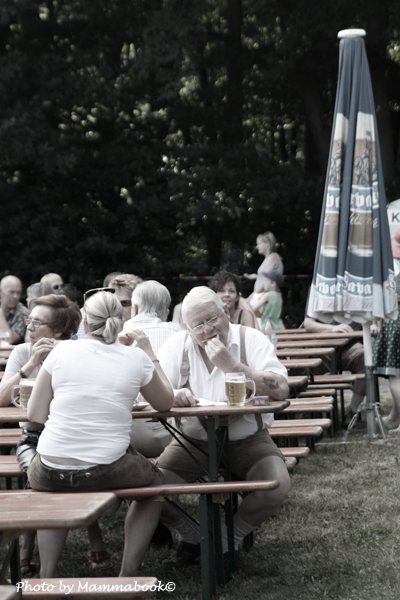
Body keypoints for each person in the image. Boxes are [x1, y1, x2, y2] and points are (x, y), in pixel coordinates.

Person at [26, 289, 174, 578]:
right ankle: (127, 574)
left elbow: (34, 415)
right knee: (156, 484)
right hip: (107, 467)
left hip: (48, 468)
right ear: (123, 320)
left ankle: (47, 576)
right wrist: (149, 353)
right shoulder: (136, 358)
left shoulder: (61, 351)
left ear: (83, 324)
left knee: (50, 494)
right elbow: (165, 403)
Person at [155, 287, 290, 571]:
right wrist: (173, 395)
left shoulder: (249, 338)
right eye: (198, 325)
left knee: (278, 484)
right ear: (188, 328)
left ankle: (229, 540)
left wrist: (233, 365)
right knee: (149, 490)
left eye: (212, 319)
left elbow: (282, 389)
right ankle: (194, 537)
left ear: (225, 312)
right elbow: (155, 394)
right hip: (192, 440)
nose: (207, 329)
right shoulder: (176, 346)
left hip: (247, 438)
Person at [0, 294, 88, 576]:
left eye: (37, 322)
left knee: (56, 476)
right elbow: (2, 398)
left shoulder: (78, 352)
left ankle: (27, 552)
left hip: (73, 438)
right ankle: (29, 552)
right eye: (29, 320)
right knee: (46, 476)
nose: (30, 326)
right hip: (34, 439)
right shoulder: (22, 352)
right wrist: (31, 364)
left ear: (59, 330)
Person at [121, 280, 181, 456]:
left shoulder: (119, 334)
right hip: (169, 431)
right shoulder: (177, 333)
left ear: (135, 308)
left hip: (125, 431)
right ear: (167, 312)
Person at [304, 292, 378, 428]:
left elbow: (372, 316)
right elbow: (308, 324)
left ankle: (353, 413)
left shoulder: (358, 284)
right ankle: (303, 413)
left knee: (366, 358)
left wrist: (373, 324)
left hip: (351, 346)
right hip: (323, 346)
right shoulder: (319, 286)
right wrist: (332, 328)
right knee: (301, 365)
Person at [373, 226, 400, 432]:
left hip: (396, 322)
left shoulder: (393, 272)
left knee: (396, 376)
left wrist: (377, 322)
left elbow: (385, 302)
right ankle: (394, 418)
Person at [0, 275, 29, 344]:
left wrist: (0, 314)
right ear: (0, 291)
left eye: (18, 293)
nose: (15, 296)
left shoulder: (23, 313)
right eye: (12, 292)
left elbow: (9, 340)